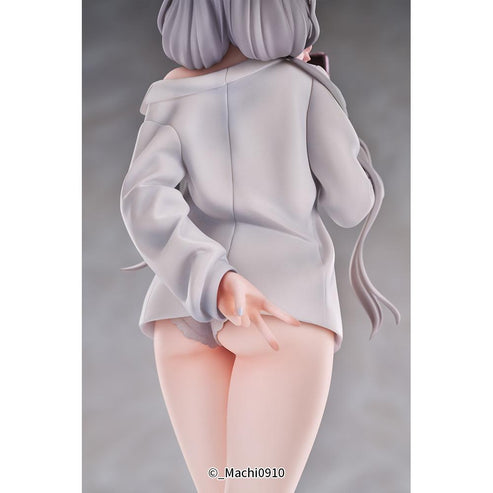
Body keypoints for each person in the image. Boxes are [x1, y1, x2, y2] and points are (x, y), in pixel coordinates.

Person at [120, 1, 396, 491]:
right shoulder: (302, 88)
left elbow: (143, 200)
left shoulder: (171, 94)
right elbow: (352, 204)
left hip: (185, 315)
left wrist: (216, 279)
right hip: (282, 311)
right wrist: (328, 99)